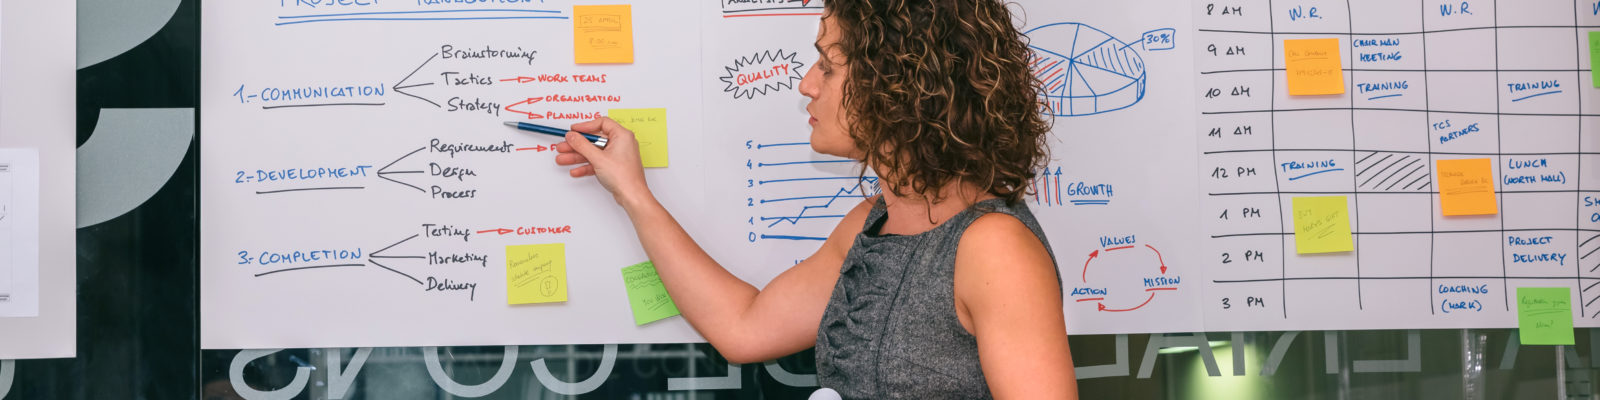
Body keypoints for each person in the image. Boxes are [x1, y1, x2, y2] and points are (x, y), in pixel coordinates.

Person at [554, 0, 1076, 397]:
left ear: (900, 83)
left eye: (828, 65)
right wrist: (633, 193)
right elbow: (744, 327)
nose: (807, 85)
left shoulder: (993, 247)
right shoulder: (872, 224)